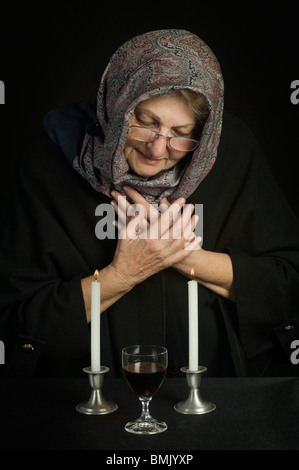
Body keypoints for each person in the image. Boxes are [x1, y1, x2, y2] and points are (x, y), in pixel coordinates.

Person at [0, 29, 299, 379]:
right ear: (118, 104)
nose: (158, 149)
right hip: (85, 395)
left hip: (214, 391)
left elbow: (287, 285)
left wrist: (181, 254)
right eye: (145, 122)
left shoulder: (231, 152)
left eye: (181, 133)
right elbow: (16, 319)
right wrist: (123, 274)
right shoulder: (48, 162)